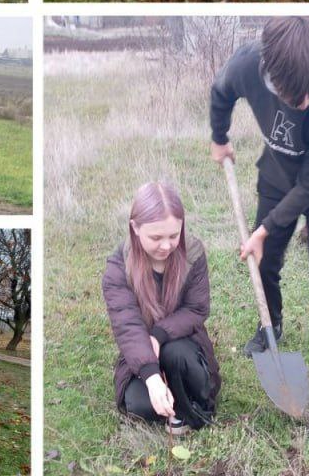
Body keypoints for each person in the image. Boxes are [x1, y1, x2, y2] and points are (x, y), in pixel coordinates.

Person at [210, 16, 309, 406]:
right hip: (275, 179)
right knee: (266, 263)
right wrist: (219, 138)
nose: (305, 104)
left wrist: (264, 228)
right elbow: (221, 91)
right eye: (295, 98)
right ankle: (270, 325)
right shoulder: (247, 65)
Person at [102, 182, 219, 435]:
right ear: (135, 228)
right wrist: (152, 378)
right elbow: (128, 326)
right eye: (156, 237)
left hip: (185, 343)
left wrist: (159, 334)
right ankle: (171, 400)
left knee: (176, 354)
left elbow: (197, 309)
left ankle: (192, 404)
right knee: (138, 404)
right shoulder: (118, 267)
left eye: (174, 235)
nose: (166, 246)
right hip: (140, 350)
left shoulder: (193, 253)